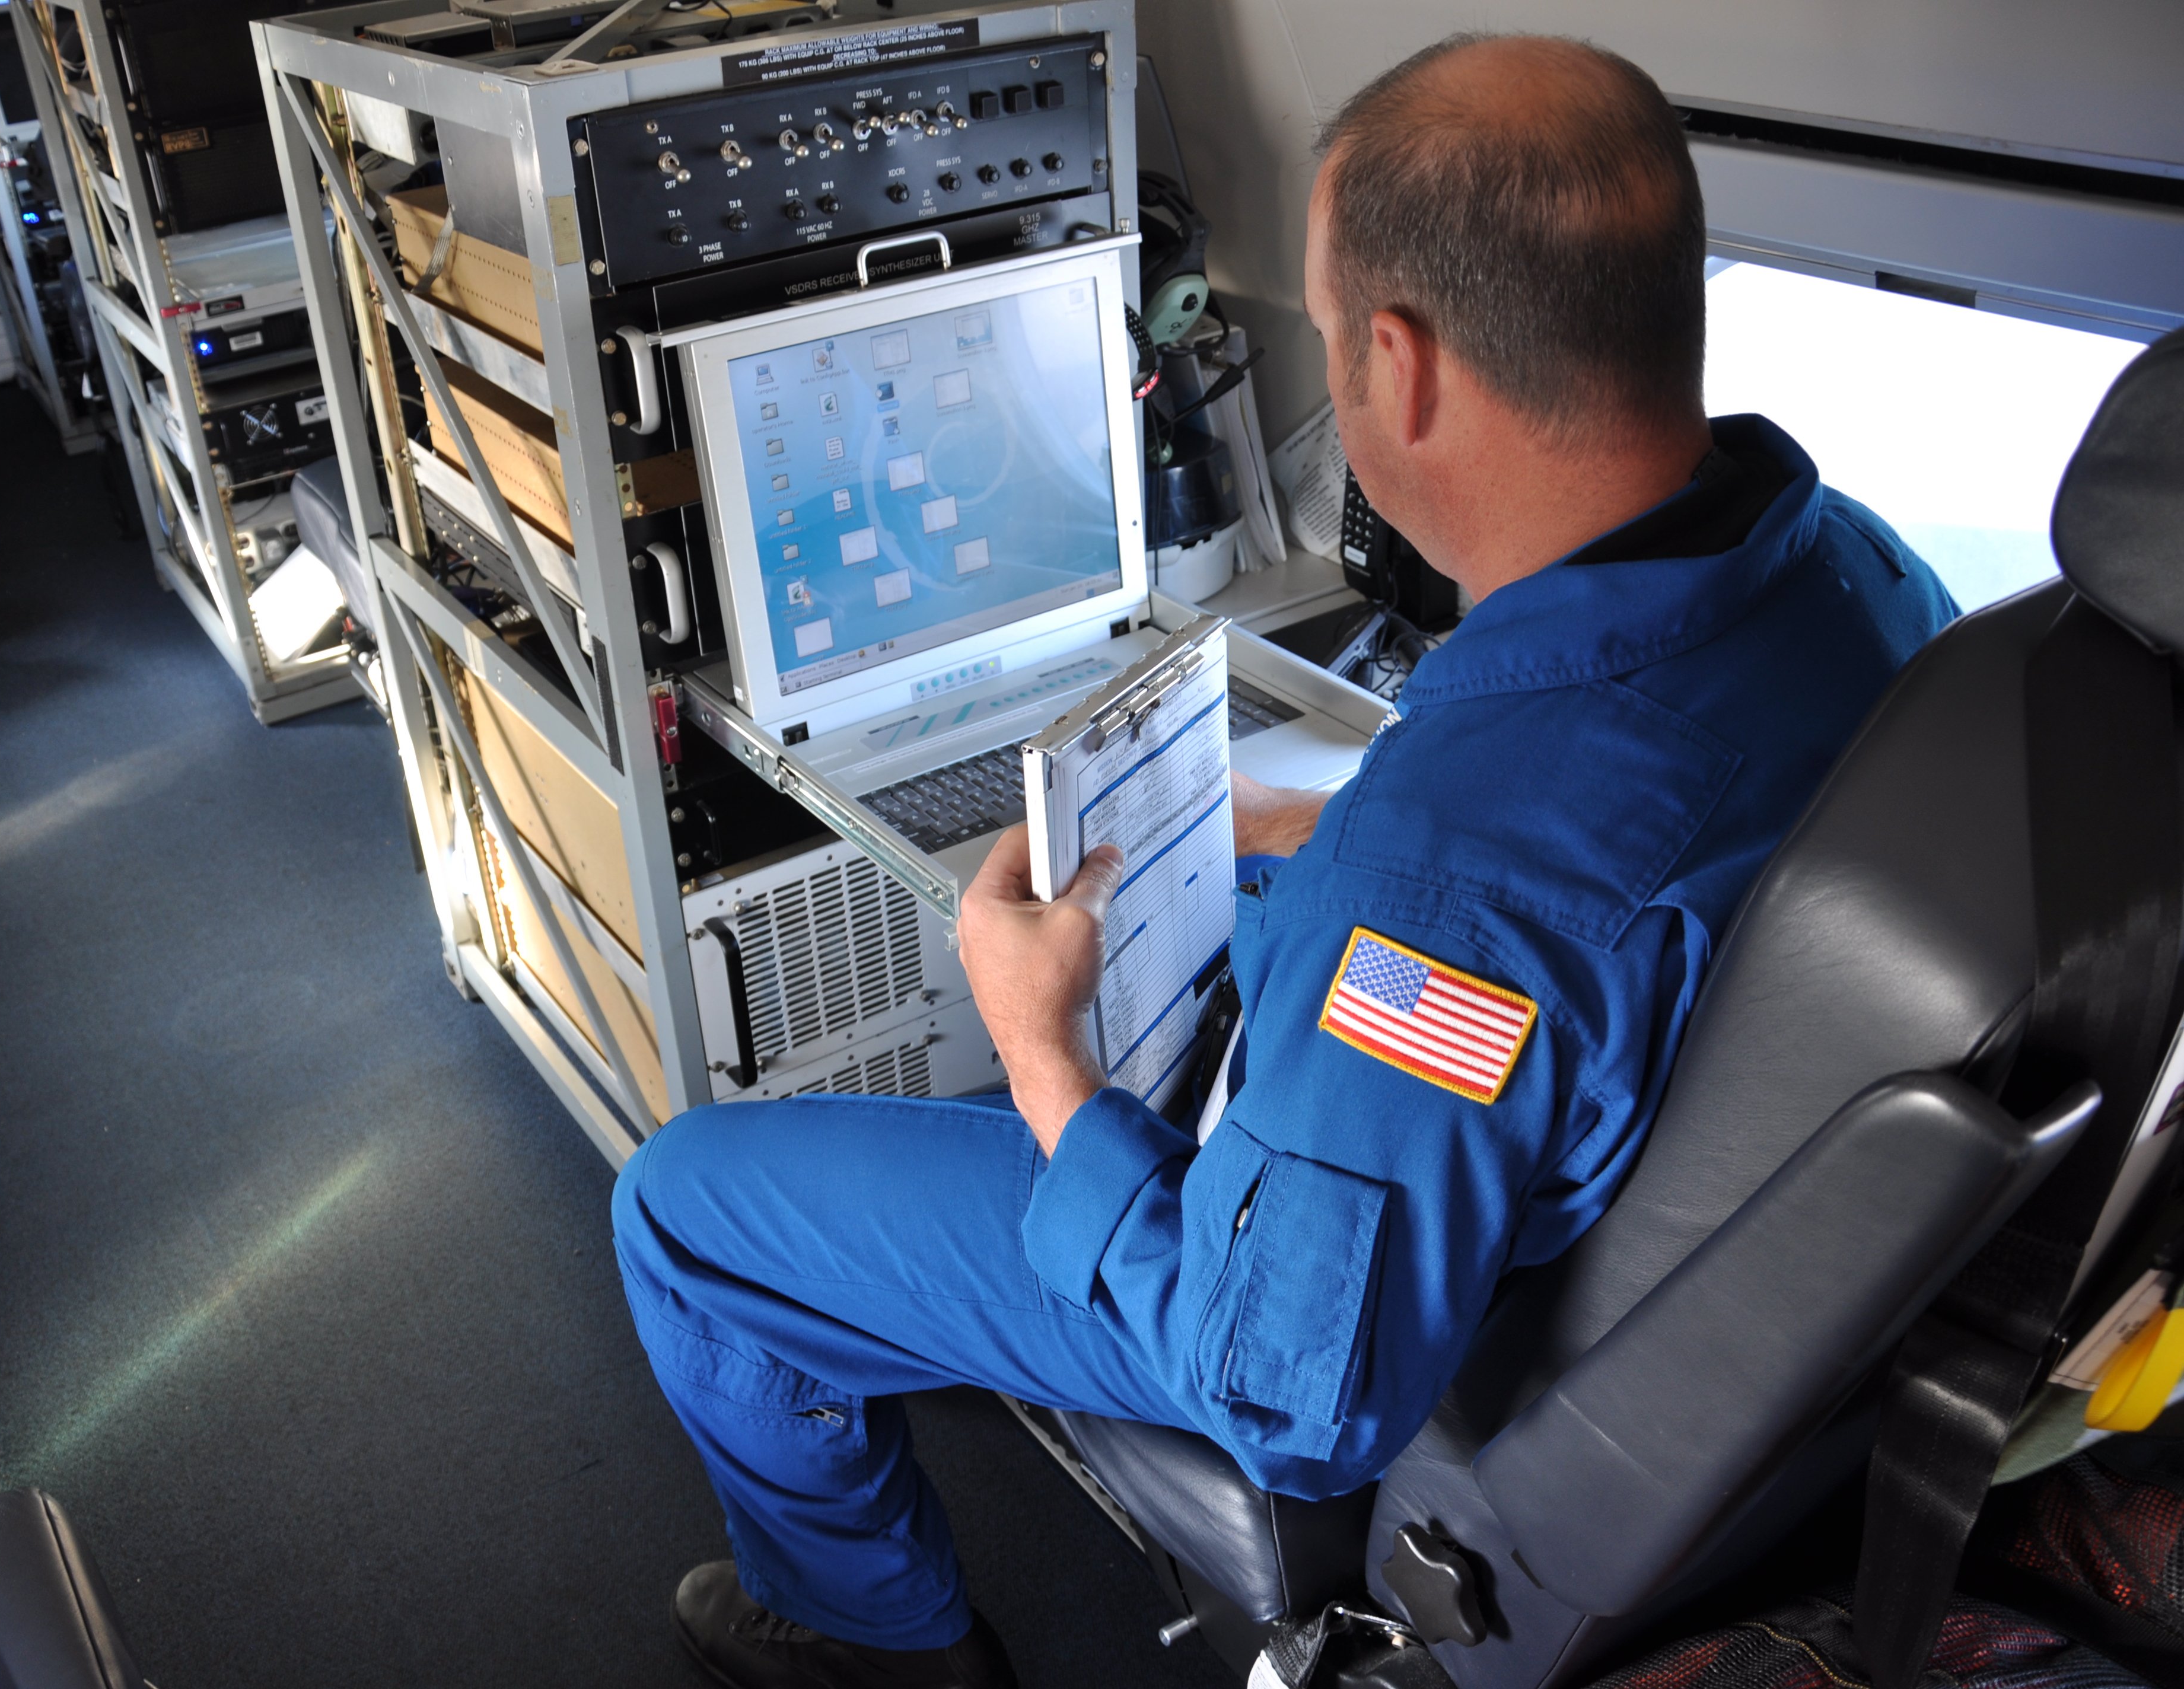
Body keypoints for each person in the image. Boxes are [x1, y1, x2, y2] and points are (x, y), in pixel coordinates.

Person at [613, 33, 1959, 1689]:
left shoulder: (1452, 887)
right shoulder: (1857, 579)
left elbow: (1289, 1401)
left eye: (1325, 333)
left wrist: (1040, 1054)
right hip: (1654, 1223)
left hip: (1359, 1317)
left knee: (682, 1203)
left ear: (1393, 367)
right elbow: (1635, 866)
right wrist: (1328, 836)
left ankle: (869, 1639)